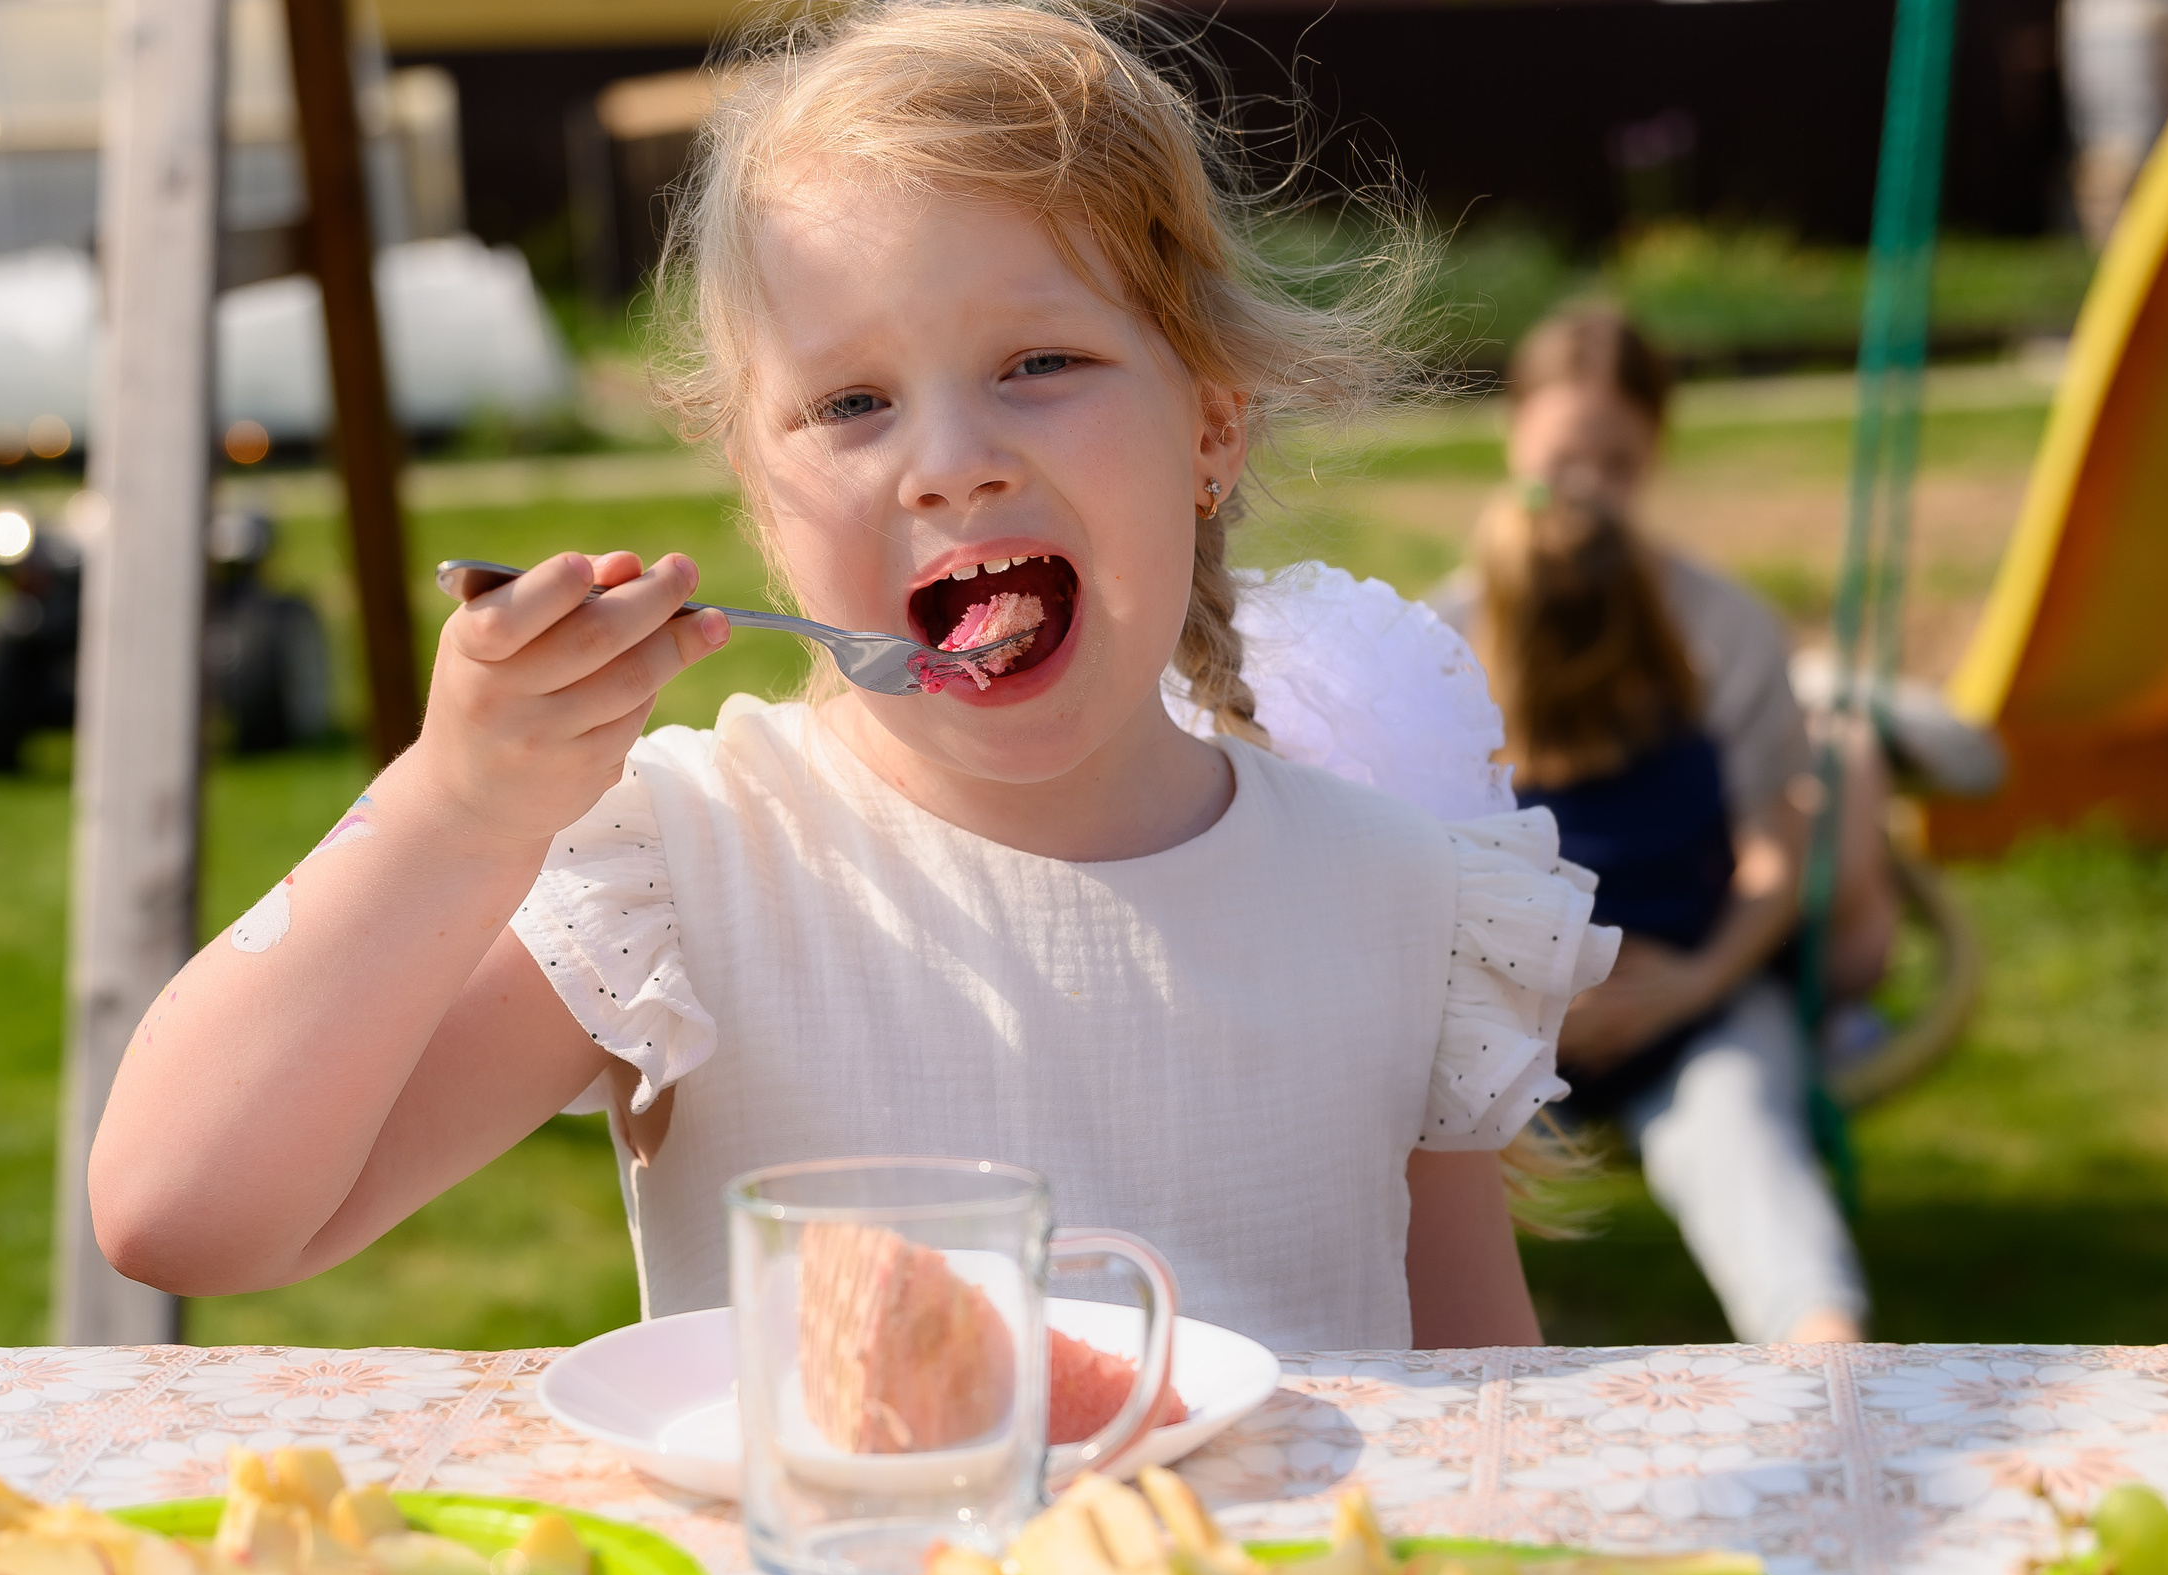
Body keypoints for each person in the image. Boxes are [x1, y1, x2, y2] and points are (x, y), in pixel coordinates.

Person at [87, 0, 1620, 1354]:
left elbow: (1476, 1411)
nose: (951, 465)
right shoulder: (684, 874)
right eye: (851, 401)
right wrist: (455, 807)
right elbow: (188, 1209)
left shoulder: (1401, 902)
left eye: (1040, 363)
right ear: (762, 497)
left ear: (1211, 427)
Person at [1433, 308, 1872, 1344]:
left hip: (1688, 993)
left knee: (1740, 1135)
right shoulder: (1440, 639)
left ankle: (1829, 1358)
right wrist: (1516, 1009)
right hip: (1503, 1025)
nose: (1585, 491)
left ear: (1655, 456)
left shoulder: (1718, 628)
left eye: (1615, 464)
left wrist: (1699, 979)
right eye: (1558, 463)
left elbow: (1776, 834)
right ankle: (1447, 1385)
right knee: (1415, 1155)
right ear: (1512, 439)